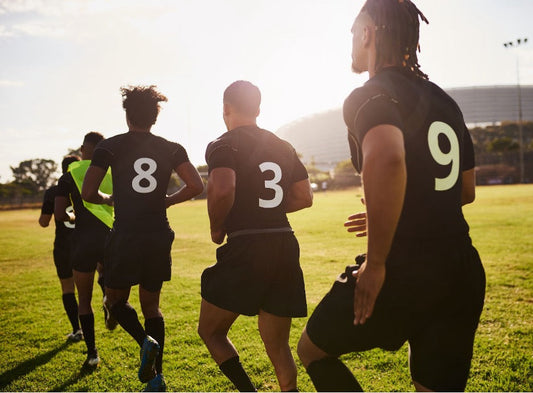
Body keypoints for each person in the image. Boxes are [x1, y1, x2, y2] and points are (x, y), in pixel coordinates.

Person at [297, 0, 486, 391]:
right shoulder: (445, 102)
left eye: (352, 32)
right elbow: (463, 191)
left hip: (405, 268)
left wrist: (378, 261)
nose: (350, 42)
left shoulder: (370, 94)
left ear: (367, 33)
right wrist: (401, 210)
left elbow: (387, 155)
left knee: (313, 350)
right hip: (461, 268)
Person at [82, 85, 204, 392]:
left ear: (127, 114)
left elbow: (87, 193)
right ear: (155, 117)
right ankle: (157, 378)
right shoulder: (172, 148)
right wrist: (167, 200)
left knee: (114, 300)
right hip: (158, 233)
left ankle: (143, 343)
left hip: (125, 233)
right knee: (152, 306)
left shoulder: (108, 147)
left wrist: (110, 198)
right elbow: (195, 185)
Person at [198, 80, 313, 392]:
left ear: (225, 108)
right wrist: (266, 210)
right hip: (285, 243)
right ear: (259, 109)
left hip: (247, 245)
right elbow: (304, 196)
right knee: (278, 347)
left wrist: (216, 226)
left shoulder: (223, 144)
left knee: (210, 331)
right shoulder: (283, 145)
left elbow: (223, 188)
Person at [55, 132, 111, 368]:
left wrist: (73, 213)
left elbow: (59, 215)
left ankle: (92, 355)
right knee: (114, 289)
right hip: (110, 237)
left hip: (83, 241)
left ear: (85, 149)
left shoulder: (69, 176)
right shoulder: (112, 171)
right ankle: (110, 300)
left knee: (84, 300)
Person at [39, 154, 82, 343]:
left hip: (64, 245)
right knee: (96, 278)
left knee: (68, 288)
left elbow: (44, 222)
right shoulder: (85, 186)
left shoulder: (53, 191)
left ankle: (77, 330)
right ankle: (109, 304)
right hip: (86, 242)